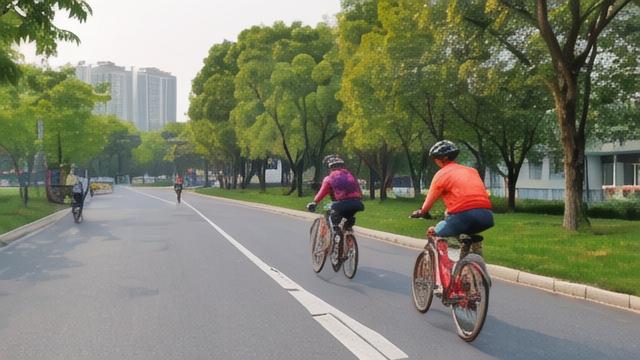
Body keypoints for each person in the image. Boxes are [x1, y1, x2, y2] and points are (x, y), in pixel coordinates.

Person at [411, 140, 493, 259]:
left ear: (440, 159)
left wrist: (421, 212)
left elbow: (429, 201)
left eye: (435, 158)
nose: (435, 161)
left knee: (433, 232)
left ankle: (444, 267)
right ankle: (474, 265)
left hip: (463, 216)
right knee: (468, 237)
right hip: (486, 216)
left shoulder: (441, 174)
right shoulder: (472, 171)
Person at [306, 155, 364, 232]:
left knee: (333, 220)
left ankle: (336, 236)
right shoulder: (350, 175)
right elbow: (359, 192)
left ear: (330, 168)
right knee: (348, 220)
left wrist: (314, 202)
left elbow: (322, 193)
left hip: (341, 204)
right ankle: (349, 237)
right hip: (357, 204)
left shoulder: (329, 178)